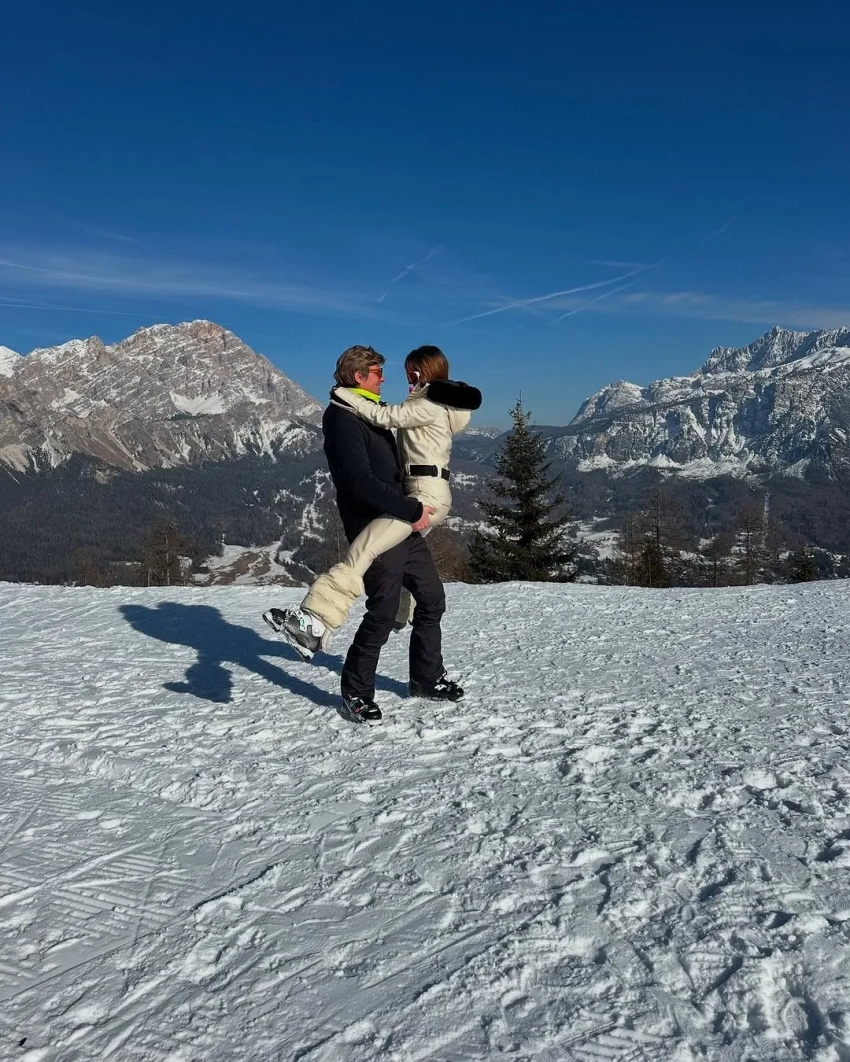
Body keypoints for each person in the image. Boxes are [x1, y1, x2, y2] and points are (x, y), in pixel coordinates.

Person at [264, 345, 475, 725]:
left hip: (403, 517)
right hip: (379, 518)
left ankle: (426, 678)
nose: (384, 378)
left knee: (431, 599)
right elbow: (357, 481)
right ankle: (355, 692)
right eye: (377, 372)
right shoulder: (343, 418)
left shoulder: (369, 412)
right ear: (359, 377)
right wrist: (411, 509)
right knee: (382, 610)